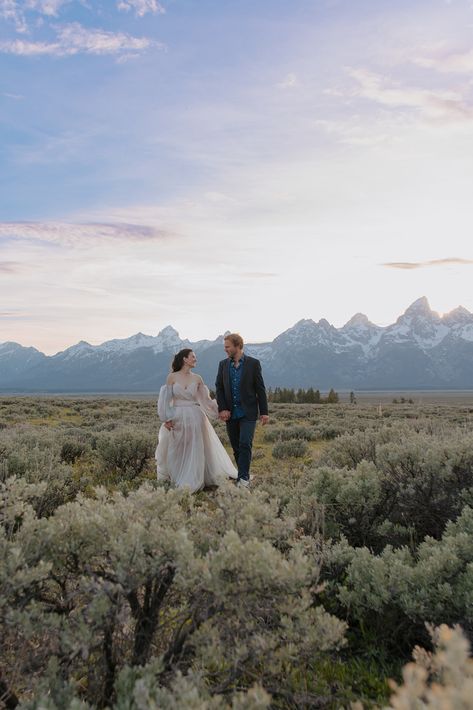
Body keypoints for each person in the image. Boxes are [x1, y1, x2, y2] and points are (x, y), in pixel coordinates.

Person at [155, 348, 237, 492]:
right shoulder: (172, 377)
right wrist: (166, 418)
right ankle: (179, 476)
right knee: (178, 448)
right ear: (185, 359)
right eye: (193, 357)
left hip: (195, 416)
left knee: (196, 447)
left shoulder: (197, 378)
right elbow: (165, 400)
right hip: (177, 417)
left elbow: (206, 401)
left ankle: (195, 478)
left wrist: (221, 410)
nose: (195, 359)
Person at [215, 333, 269, 489]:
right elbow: (219, 387)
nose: (225, 350)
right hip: (230, 413)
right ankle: (242, 474)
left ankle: (243, 479)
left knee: (245, 443)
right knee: (236, 447)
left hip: (249, 412)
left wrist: (264, 412)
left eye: (227, 347)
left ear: (237, 346)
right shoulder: (223, 365)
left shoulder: (253, 364)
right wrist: (223, 408)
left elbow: (260, 388)